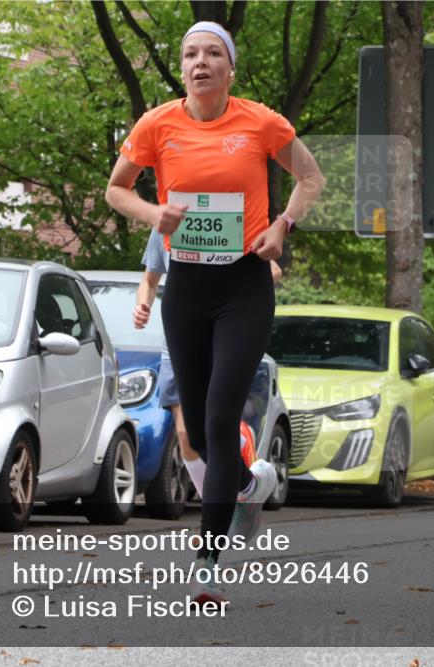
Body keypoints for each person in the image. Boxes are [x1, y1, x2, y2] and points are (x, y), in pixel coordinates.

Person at [106, 21, 323, 605]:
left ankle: (208, 563)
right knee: (198, 431)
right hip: (188, 289)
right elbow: (115, 191)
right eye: (189, 54)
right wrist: (154, 214)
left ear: (229, 69)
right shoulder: (157, 125)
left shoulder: (261, 122)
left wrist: (282, 226)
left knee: (223, 417)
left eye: (212, 54)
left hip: (244, 286)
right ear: (182, 69)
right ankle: (249, 484)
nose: (200, 62)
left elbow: (310, 176)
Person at [132, 228, 283, 501]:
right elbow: (149, 280)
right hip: (179, 344)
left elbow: (273, 270)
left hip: (221, 339)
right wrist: (143, 304)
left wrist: (236, 291)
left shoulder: (225, 219)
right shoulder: (165, 225)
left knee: (215, 425)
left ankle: (223, 508)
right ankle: (231, 493)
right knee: (186, 433)